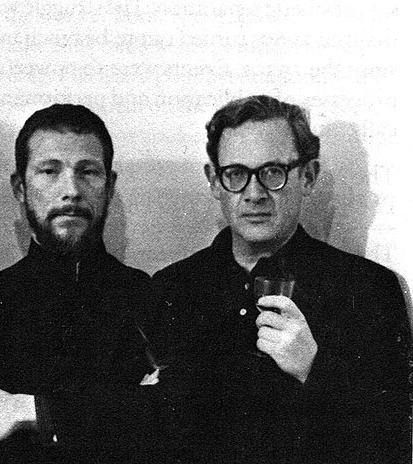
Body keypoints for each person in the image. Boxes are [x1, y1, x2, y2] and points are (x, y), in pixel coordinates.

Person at [152, 95, 411, 463]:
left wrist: (313, 369)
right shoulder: (171, 289)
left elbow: (395, 443)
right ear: (214, 181)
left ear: (308, 177)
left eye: (273, 172)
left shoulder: (371, 290)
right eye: (235, 174)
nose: (254, 194)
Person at [0, 104, 187, 463]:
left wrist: (30, 411)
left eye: (88, 172)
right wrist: (124, 408)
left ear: (109, 186)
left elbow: (177, 421)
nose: (71, 190)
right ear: (20, 188)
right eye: (49, 171)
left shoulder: (147, 298)